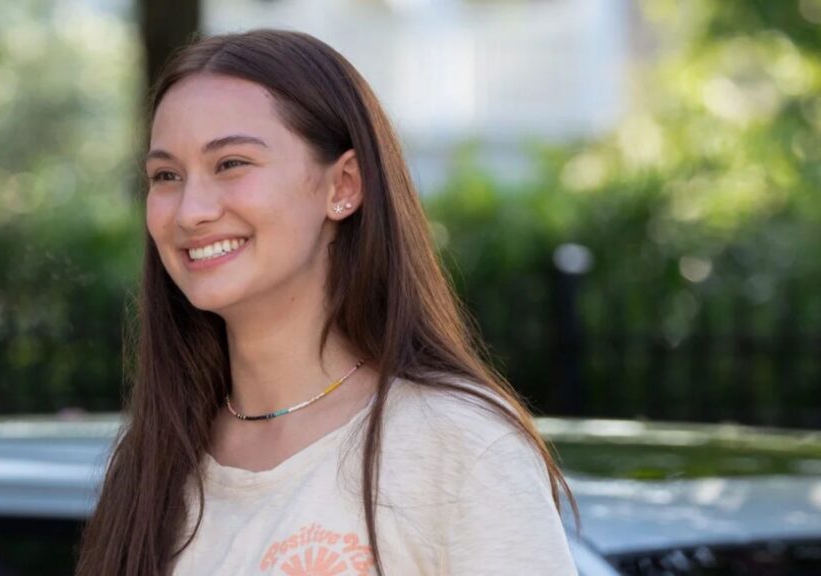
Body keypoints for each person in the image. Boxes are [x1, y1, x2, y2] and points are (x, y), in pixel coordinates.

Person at [77, 29, 580, 575]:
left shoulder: (455, 446)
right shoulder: (152, 463)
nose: (190, 210)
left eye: (231, 164)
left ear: (343, 185)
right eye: (166, 175)